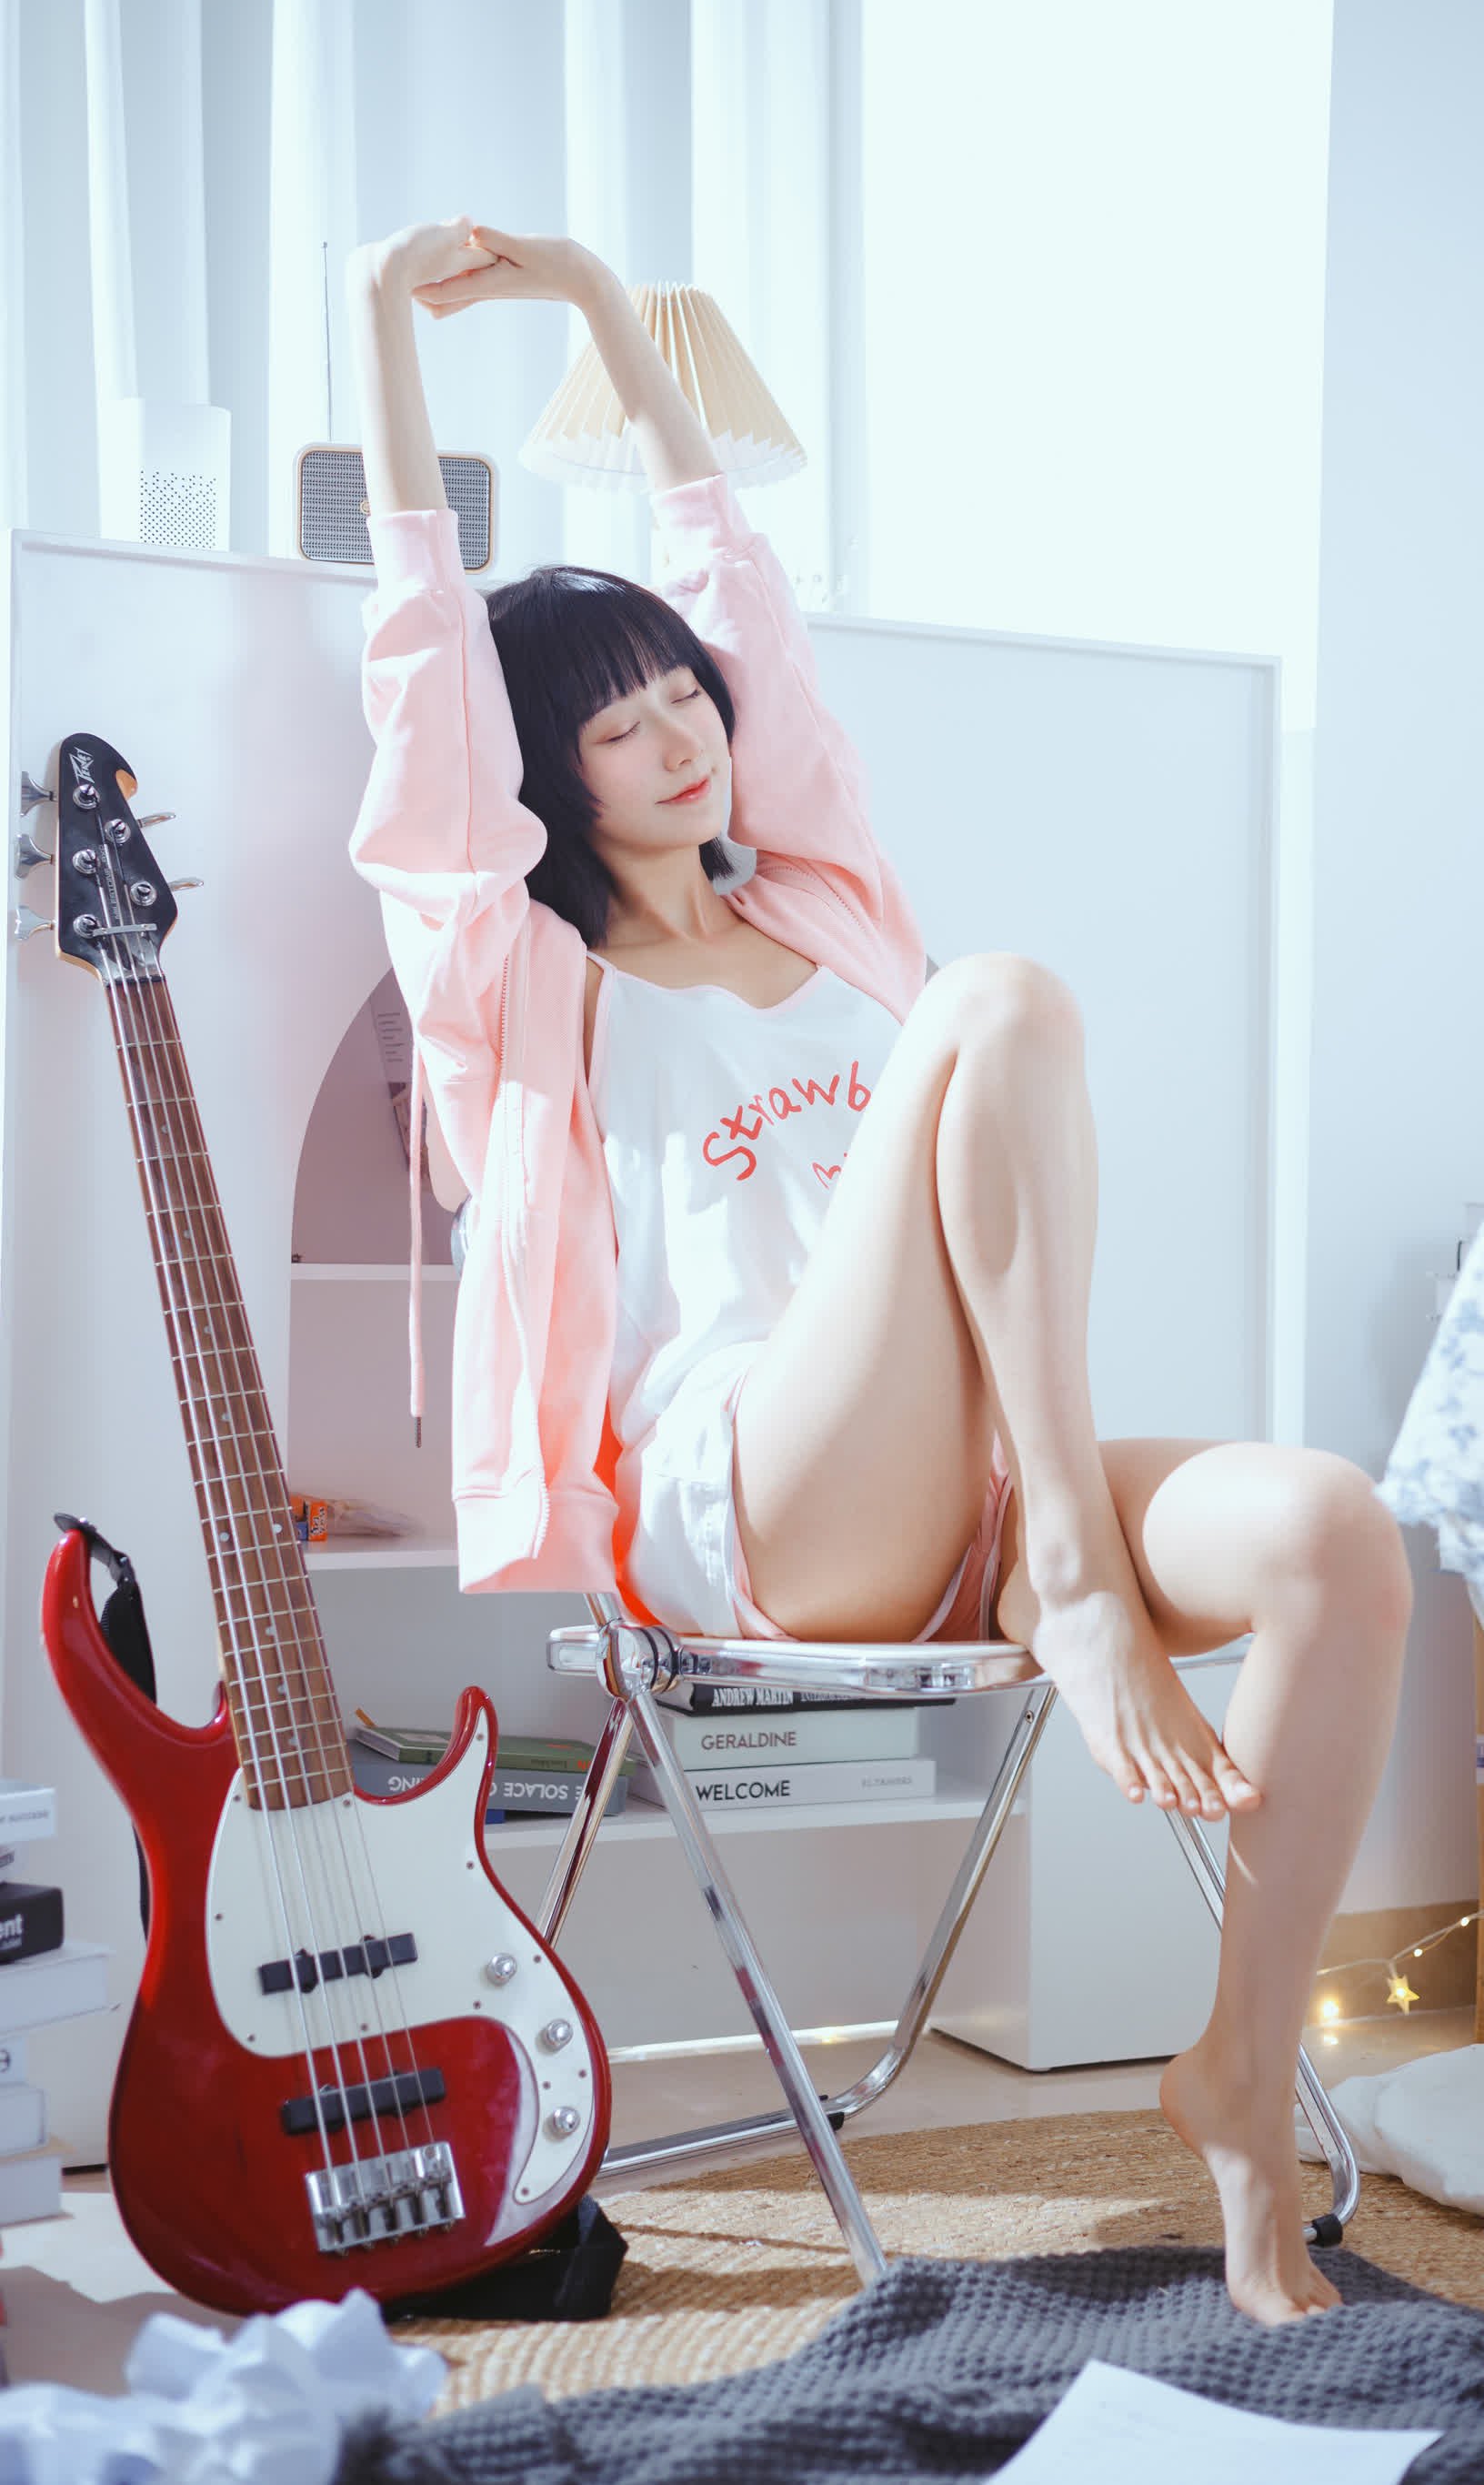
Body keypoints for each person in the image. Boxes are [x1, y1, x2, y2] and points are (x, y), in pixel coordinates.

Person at [346, 215, 1415, 2328]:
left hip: (981, 1490)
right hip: (758, 1507)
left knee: (1331, 1532)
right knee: (998, 998)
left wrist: (600, 306)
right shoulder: (518, 981)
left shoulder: (829, 909)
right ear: (546, 771)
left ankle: (1235, 2071)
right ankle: (1076, 1587)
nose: (681, 733)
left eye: (685, 696)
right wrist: (384, 319)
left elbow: (745, 595)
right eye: (620, 724)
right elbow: (424, 678)